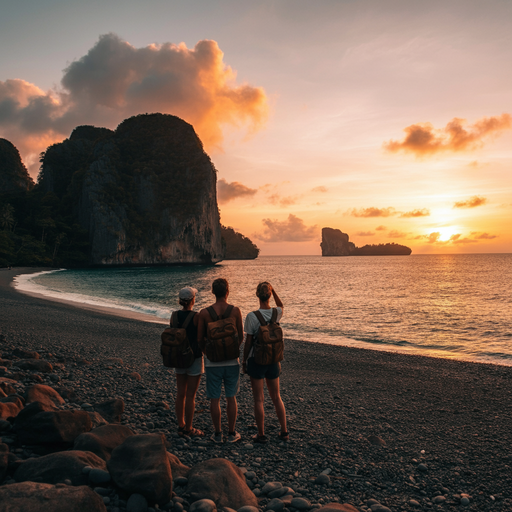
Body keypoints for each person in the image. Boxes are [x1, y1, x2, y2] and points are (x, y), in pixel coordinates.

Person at [197, 278, 243, 443]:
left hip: (212, 363)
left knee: (214, 398)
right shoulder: (236, 311)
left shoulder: (204, 313)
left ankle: (217, 434)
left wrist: (208, 353)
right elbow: (240, 337)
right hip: (232, 361)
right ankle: (231, 433)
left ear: (212, 292)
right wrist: (231, 350)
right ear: (227, 291)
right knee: (231, 397)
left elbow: (200, 338)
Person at [243, 282, 288, 443]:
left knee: (259, 400)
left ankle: (261, 434)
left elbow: (248, 342)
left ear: (257, 295)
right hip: (274, 361)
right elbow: (281, 304)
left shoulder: (252, 316)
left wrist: (244, 360)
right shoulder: (277, 312)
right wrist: (274, 290)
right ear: (269, 295)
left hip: (257, 361)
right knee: (277, 397)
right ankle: (284, 431)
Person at [173, 286, 204, 437]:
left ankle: (181, 425)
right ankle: (189, 428)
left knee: (180, 393)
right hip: (194, 358)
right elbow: (200, 338)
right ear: (193, 300)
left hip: (178, 357)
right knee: (191, 395)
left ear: (180, 301)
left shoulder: (174, 316)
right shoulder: (197, 317)